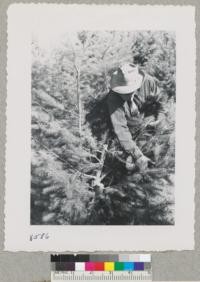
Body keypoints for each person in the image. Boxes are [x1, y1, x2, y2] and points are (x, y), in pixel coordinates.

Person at [107, 63, 164, 172]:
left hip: (148, 121)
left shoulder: (148, 82)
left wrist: (159, 120)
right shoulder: (113, 98)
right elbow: (120, 128)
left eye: (129, 91)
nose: (126, 94)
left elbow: (161, 103)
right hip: (129, 131)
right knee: (128, 166)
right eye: (122, 92)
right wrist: (137, 155)